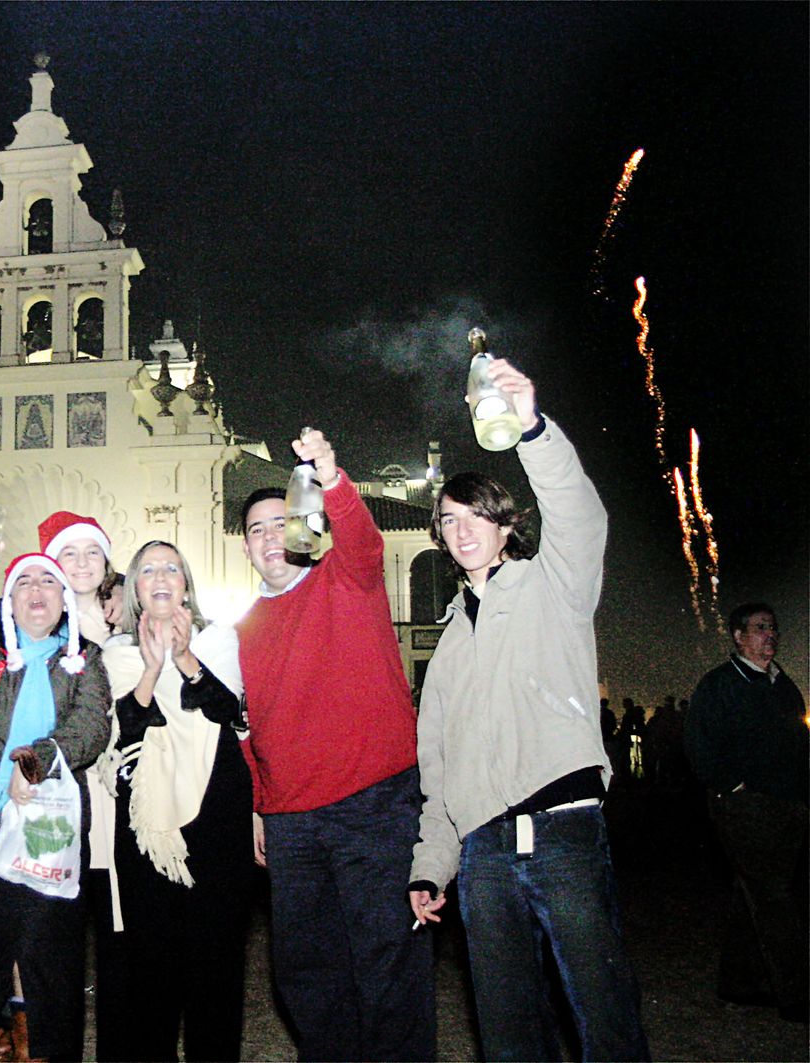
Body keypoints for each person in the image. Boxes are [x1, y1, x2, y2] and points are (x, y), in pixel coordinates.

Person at [408, 361, 649, 1060]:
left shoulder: (554, 586)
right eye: (447, 520)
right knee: (508, 1027)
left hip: (563, 829)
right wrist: (431, 867)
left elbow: (581, 514)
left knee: (602, 1012)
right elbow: (439, 774)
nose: (460, 531)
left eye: (474, 515)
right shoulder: (448, 645)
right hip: (483, 850)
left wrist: (533, 427)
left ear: (504, 522)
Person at [237, 429, 434, 1061]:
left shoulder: (345, 579)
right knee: (305, 974)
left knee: (386, 963)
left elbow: (365, 541)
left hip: (371, 807)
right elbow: (253, 726)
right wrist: (260, 804)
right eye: (256, 530)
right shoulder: (244, 629)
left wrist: (331, 477)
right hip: (293, 824)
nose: (271, 537)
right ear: (245, 547)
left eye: (280, 523)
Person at [0, 535, 112, 1062]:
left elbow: (90, 728)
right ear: (9, 601)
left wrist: (35, 762)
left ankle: (47, 1052)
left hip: (50, 830)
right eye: (23, 583)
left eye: (48, 581)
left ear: (65, 599)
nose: (36, 591)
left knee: (49, 956)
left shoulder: (84, 660)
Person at [102, 541, 251, 1061]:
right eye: (148, 570)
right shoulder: (117, 653)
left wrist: (185, 658)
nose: (161, 576)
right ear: (134, 588)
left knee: (217, 962)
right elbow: (126, 731)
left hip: (217, 812)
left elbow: (227, 711)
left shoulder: (220, 639)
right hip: (148, 825)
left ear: (186, 582)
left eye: (171, 567)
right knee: (153, 967)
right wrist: (150, 668)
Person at [686, 603, 807, 1021]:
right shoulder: (721, 685)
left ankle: (740, 984)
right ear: (739, 637)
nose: (769, 635)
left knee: (754, 892)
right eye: (759, 628)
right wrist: (733, 787)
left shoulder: (782, 684)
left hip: (786, 804)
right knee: (774, 896)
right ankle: (797, 993)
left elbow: (797, 739)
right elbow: (698, 744)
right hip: (746, 806)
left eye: (772, 628)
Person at [37, 510, 125, 1060]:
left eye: (93, 552)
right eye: (70, 554)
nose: (83, 563)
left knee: (119, 935)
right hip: (59, 798)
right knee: (56, 938)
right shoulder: (42, 629)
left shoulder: (128, 620)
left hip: (120, 798)